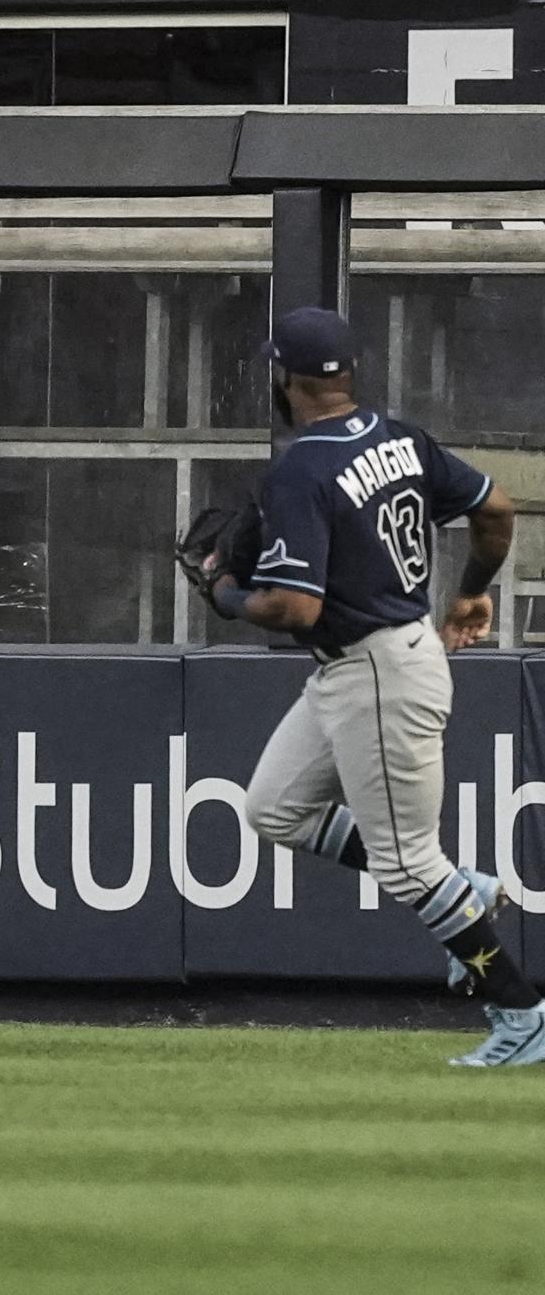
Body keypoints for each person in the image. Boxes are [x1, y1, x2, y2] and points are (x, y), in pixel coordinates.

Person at [206, 306, 544, 1069]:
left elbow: (295, 607)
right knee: (273, 809)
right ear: (349, 372)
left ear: (286, 379)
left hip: (380, 671)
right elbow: (494, 508)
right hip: (363, 664)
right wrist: (473, 590)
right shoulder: (400, 439)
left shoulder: (301, 467)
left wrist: (227, 595)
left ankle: (521, 1012)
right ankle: (464, 888)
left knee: (405, 863)